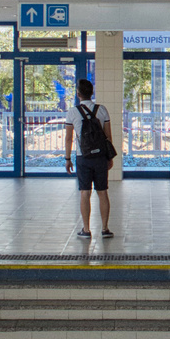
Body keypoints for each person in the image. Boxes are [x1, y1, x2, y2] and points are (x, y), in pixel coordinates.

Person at [64, 78, 115, 239]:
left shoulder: (72, 112)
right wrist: (109, 157)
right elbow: (108, 136)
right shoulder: (102, 110)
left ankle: (86, 230)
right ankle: (105, 229)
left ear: (78, 94)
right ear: (92, 93)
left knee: (85, 193)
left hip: (82, 157)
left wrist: (67, 158)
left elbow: (68, 138)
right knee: (102, 192)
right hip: (100, 157)